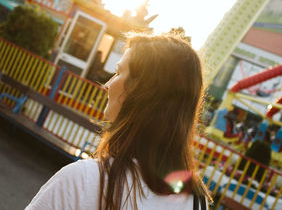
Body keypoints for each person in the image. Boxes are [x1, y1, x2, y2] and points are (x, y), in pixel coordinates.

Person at [26, 34, 211, 209]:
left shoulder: (83, 180)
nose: (107, 84)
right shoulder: (196, 201)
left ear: (141, 93)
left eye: (118, 72)